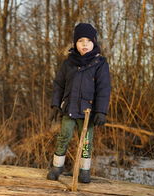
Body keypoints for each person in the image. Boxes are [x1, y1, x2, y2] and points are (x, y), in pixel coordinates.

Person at [47, 23, 111, 182]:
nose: (84, 44)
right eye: (81, 40)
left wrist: (101, 111)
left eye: (88, 41)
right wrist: (56, 104)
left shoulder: (100, 64)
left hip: (88, 112)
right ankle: (57, 167)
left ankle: (84, 170)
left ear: (94, 43)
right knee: (64, 137)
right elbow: (59, 84)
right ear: (75, 43)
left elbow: (104, 89)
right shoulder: (68, 63)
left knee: (87, 142)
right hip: (68, 109)